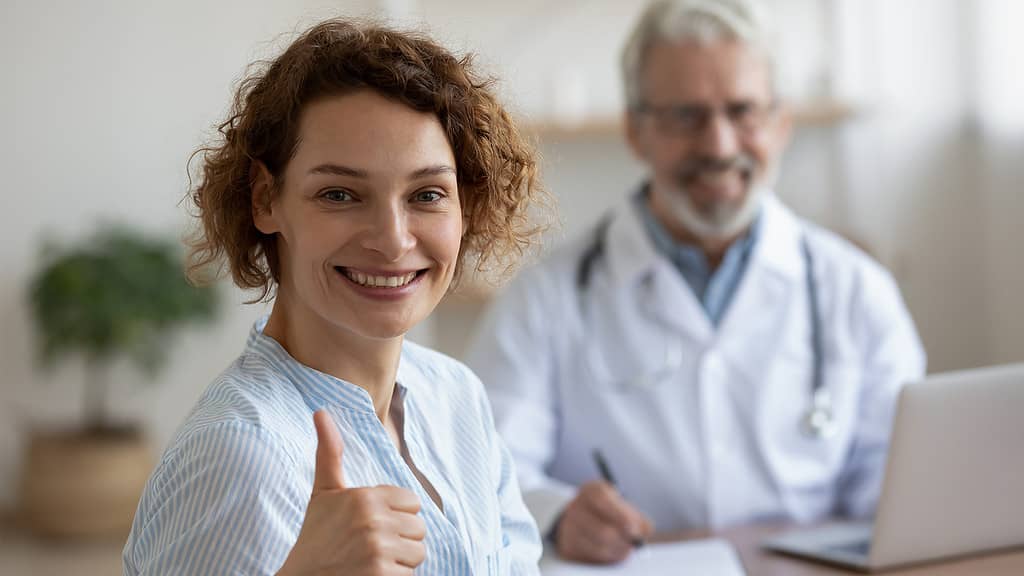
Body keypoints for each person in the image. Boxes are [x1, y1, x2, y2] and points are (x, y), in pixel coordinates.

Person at [465, 0, 926, 565]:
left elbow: (901, 497)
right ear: (636, 131)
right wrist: (557, 514)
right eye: (686, 116)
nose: (719, 145)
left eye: (743, 111)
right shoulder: (547, 296)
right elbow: (486, 469)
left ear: (781, 124)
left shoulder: (857, 292)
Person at [123, 18, 547, 575]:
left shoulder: (457, 397)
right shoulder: (242, 451)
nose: (394, 239)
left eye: (427, 194)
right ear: (265, 199)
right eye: (340, 193)